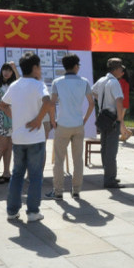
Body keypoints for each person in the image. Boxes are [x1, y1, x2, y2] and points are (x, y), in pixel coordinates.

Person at [1, 53, 51, 222]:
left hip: (18, 137)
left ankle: (12, 210)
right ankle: (33, 212)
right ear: (35, 67)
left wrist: (15, 117)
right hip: (35, 138)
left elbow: (3, 104)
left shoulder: (14, 85)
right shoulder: (39, 85)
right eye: (40, 67)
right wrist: (38, 120)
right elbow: (48, 102)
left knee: (17, 174)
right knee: (35, 176)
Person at [46, 54, 94, 200]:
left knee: (59, 160)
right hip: (78, 124)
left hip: (62, 124)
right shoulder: (84, 81)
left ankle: (58, 191)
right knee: (78, 159)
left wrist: (53, 121)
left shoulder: (57, 82)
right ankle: (76, 190)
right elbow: (91, 103)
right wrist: (85, 119)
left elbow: (52, 104)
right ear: (75, 66)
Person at [92, 58, 130, 188]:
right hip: (113, 118)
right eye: (121, 69)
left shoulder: (102, 80)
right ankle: (110, 179)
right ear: (116, 69)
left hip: (103, 117)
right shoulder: (114, 83)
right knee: (111, 151)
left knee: (104, 148)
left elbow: (93, 91)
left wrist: (101, 101)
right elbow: (119, 101)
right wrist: (120, 120)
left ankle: (108, 174)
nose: (122, 71)